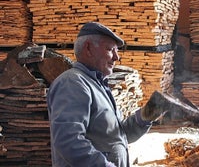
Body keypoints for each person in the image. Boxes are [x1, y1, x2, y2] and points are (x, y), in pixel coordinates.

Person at [47, 22, 167, 167]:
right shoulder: (72, 84)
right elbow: (69, 141)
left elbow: (117, 136)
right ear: (88, 49)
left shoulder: (97, 84)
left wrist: (149, 113)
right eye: (110, 49)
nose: (117, 57)